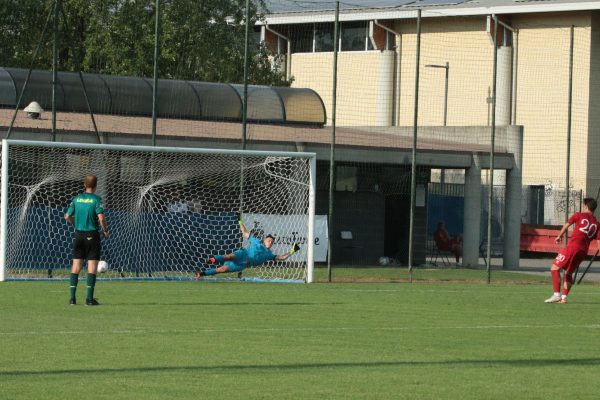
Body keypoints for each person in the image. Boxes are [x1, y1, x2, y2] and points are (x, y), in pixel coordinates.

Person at [196, 214, 299, 278]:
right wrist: (240, 221)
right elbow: (245, 233)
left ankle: (202, 274)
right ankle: (213, 259)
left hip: (244, 264)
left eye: (272, 242)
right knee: (230, 256)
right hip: (242, 254)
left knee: (222, 270)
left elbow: (281, 258)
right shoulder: (257, 241)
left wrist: (292, 251)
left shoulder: (269, 254)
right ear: (264, 240)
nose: (270, 242)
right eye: (269, 240)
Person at [545, 197, 600, 304]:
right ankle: (563, 298)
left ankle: (556, 295)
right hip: (583, 252)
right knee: (569, 273)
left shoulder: (578, 215)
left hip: (573, 247)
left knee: (554, 268)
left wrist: (559, 236)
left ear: (585, 206)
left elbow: (567, 225)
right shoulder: (597, 224)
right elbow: (599, 242)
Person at [65, 175, 109, 306]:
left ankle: (72, 299)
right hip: (92, 235)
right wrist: (106, 230)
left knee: (76, 266)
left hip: (79, 235)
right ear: (95, 186)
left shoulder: (76, 198)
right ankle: (89, 299)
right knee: (92, 267)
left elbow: (67, 216)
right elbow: (101, 218)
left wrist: (75, 223)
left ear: (84, 184)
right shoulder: (96, 199)